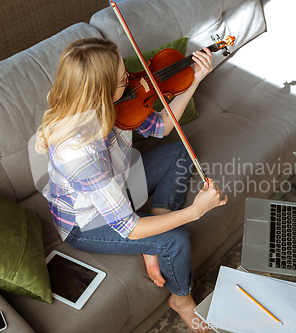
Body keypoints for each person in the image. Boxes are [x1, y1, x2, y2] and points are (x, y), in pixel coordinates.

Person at [35, 37, 227, 333]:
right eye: (125, 78)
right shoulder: (77, 153)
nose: (135, 81)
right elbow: (129, 228)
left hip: (119, 184)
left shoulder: (117, 105)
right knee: (175, 239)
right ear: (101, 90)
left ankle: (154, 237)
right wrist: (195, 211)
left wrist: (194, 79)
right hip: (86, 222)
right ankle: (182, 301)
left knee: (178, 153)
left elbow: (160, 127)